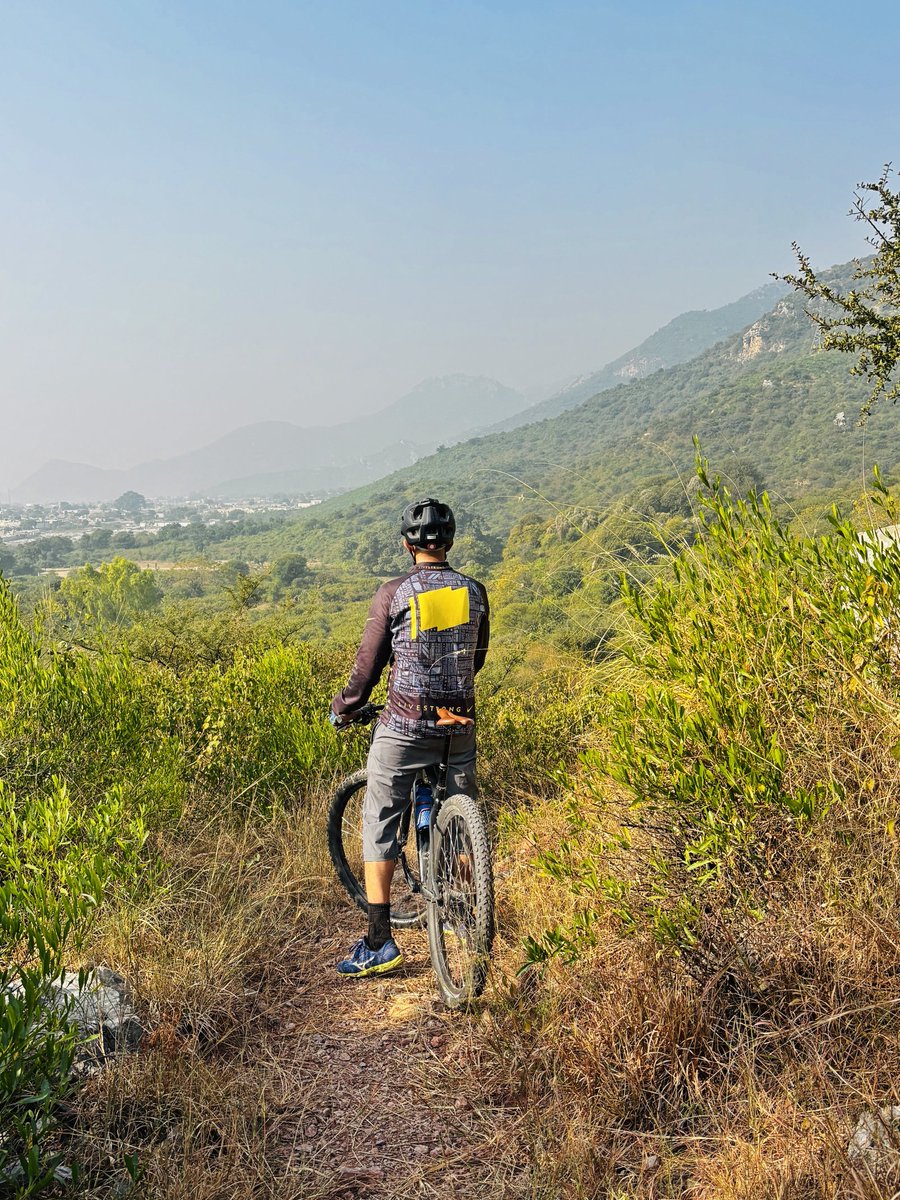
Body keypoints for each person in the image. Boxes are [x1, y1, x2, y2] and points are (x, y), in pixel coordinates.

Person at [329, 497, 490, 977]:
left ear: (407, 545)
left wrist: (345, 707)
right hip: (458, 725)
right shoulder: (475, 591)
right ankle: (473, 907)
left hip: (405, 726)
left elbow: (369, 666)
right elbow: (476, 658)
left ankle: (380, 942)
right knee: (462, 809)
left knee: (379, 815)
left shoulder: (394, 593)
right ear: (451, 543)